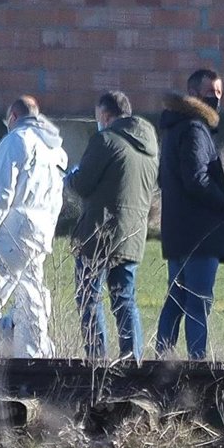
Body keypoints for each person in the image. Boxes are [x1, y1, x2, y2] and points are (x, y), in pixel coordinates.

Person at [0, 95, 68, 358]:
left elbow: (1, 193)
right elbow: (57, 199)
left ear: (13, 117)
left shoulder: (16, 140)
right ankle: (32, 355)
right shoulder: (54, 150)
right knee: (31, 295)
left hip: (13, 230)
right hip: (41, 233)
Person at [66, 90, 158, 362]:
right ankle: (132, 361)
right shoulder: (149, 145)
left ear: (105, 116)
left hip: (99, 233)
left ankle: (97, 360)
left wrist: (69, 178)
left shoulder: (104, 140)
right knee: (125, 299)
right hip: (132, 234)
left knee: (89, 297)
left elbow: (83, 184)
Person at [155, 70, 224, 360]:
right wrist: (220, 200)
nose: (216, 98)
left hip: (178, 230)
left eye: (219, 92)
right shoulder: (195, 129)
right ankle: (196, 364)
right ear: (193, 93)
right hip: (198, 232)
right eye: (210, 91)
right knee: (198, 302)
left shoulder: (174, 127)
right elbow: (196, 178)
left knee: (177, 298)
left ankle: (163, 358)